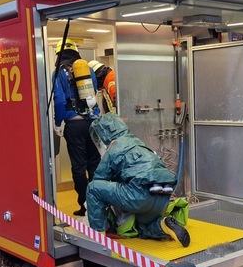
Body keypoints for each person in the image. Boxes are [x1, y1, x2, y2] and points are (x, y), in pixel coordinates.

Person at [86, 113, 190, 247]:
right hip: (164, 192)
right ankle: (164, 225)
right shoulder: (138, 142)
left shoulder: (114, 148)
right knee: (143, 228)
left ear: (105, 135)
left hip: (140, 193)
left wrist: (99, 215)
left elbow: (99, 181)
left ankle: (98, 237)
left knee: (93, 188)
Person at [53, 39, 101, 216]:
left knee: (79, 166)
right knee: (95, 165)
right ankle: (98, 204)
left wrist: (58, 123)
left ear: (59, 54)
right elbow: (94, 92)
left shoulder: (58, 72)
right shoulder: (87, 69)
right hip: (93, 123)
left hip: (74, 125)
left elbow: (58, 101)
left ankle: (85, 204)